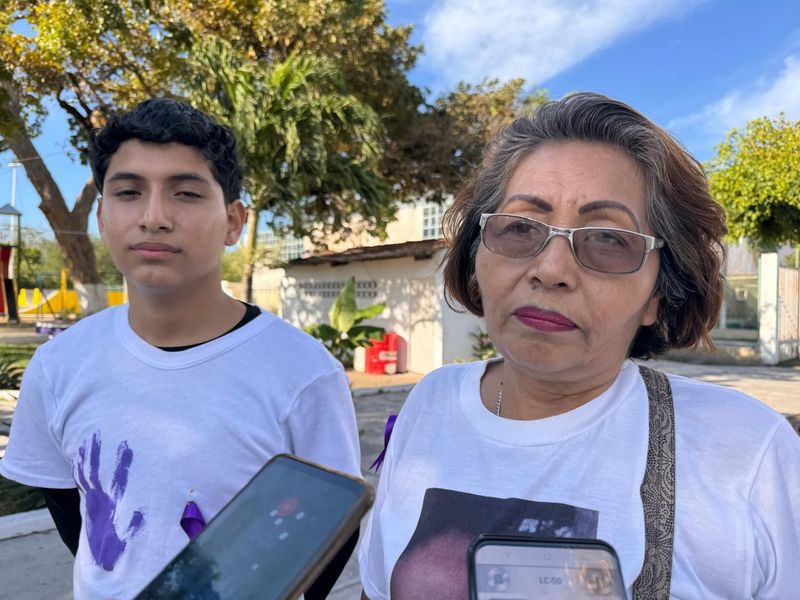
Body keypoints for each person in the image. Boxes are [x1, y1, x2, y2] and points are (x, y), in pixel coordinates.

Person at [358, 93, 800, 599]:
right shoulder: (431, 402)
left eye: (608, 240)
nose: (550, 270)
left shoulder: (746, 453)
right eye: (521, 227)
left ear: (658, 294)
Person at [0, 98, 361, 599]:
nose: (154, 217)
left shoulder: (303, 372)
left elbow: (328, 533)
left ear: (234, 220)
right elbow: (71, 510)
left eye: (186, 193)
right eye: (129, 192)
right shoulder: (60, 364)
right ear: (102, 217)